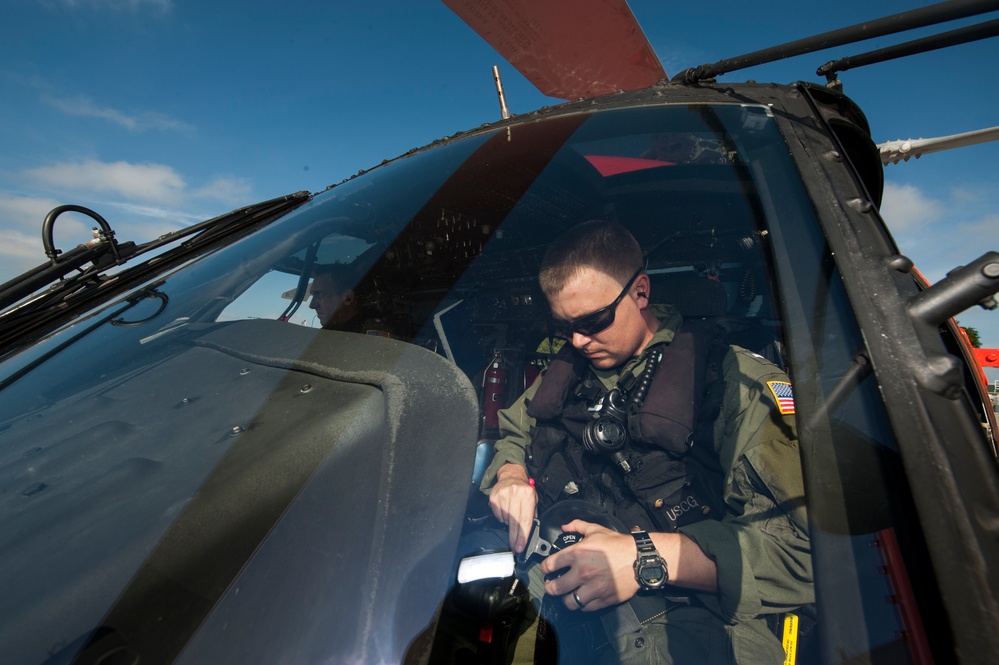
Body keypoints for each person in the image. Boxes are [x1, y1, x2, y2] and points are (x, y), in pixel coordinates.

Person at [479, 220, 812, 663]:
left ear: (640, 292)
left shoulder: (735, 385)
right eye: (564, 327)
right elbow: (514, 430)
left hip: (691, 621)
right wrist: (511, 475)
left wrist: (644, 557)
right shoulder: (569, 373)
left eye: (594, 320)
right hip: (559, 597)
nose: (579, 341)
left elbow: (802, 551)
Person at [308, 264, 393, 336]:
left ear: (348, 298)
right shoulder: (332, 331)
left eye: (320, 295)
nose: (312, 305)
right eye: (313, 296)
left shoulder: (368, 332)